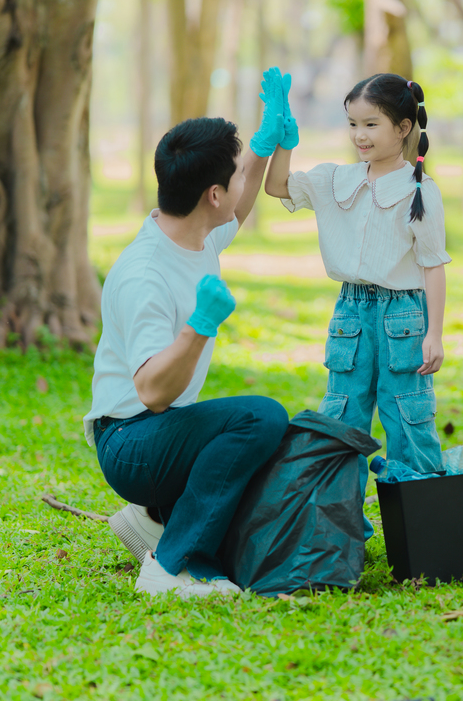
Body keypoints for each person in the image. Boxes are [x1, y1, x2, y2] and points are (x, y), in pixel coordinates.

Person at [85, 70, 297, 597]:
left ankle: (154, 522)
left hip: (154, 433)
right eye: (229, 179)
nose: (236, 188)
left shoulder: (192, 230)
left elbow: (240, 200)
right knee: (260, 417)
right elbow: (153, 392)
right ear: (211, 193)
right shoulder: (145, 274)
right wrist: (201, 326)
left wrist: (265, 139)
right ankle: (173, 567)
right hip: (129, 439)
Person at [263, 73, 449, 476]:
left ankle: (420, 523)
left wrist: (434, 333)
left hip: (403, 316)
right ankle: (339, 526)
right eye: (352, 124)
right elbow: (276, 185)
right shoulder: (334, 180)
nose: (359, 136)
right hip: (350, 310)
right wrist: (284, 141)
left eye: (370, 124)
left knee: (407, 414)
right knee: (342, 413)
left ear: (403, 128)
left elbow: (433, 265)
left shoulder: (420, 189)